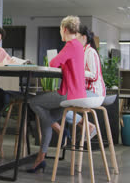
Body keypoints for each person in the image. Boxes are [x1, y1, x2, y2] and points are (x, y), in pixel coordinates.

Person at [27, 16, 103, 173]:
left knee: (33, 102)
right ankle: (40, 158)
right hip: (75, 93)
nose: (60, 33)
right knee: (46, 117)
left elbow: (53, 63)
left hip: (69, 94)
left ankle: (60, 130)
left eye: (60, 30)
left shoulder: (70, 44)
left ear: (65, 29)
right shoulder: (78, 46)